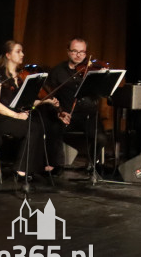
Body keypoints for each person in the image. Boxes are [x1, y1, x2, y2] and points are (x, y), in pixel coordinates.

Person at [0, 40, 64, 179]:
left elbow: (27, 101)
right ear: (8, 55)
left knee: (40, 124)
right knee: (32, 127)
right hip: (3, 118)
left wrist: (45, 100)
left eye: (22, 51)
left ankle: (33, 167)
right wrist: (16, 116)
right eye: (18, 51)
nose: (22, 54)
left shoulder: (20, 76)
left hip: (16, 115)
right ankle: (20, 170)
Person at [42, 38, 107, 172]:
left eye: (82, 52)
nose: (78, 55)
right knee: (53, 129)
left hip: (88, 115)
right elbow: (49, 96)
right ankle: (56, 166)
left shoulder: (91, 71)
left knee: (101, 138)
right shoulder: (57, 72)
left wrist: (101, 79)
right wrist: (59, 112)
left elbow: (100, 93)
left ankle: (92, 163)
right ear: (68, 52)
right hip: (66, 114)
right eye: (75, 51)